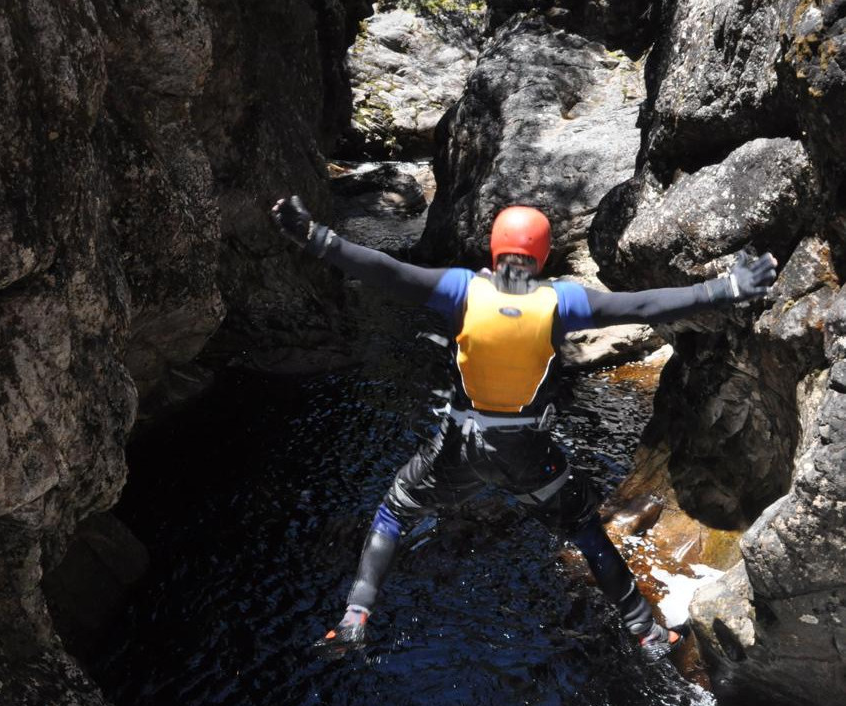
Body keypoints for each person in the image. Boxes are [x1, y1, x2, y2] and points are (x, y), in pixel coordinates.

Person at [271, 196, 777, 662]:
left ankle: (354, 620)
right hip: (528, 455)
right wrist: (728, 288)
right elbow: (644, 305)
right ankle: (647, 634)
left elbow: (385, 270)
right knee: (583, 529)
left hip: (461, 450)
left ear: (494, 249)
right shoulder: (561, 302)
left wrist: (315, 236)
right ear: (543, 255)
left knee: (395, 510)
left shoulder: (461, 290)